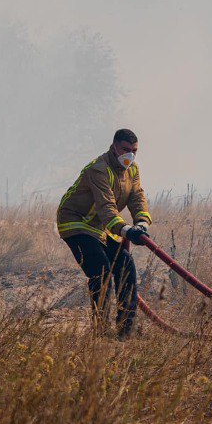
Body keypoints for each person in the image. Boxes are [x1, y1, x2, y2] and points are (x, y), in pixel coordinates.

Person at [56, 128, 153, 335]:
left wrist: (142, 222)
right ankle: (100, 331)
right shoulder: (98, 169)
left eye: (134, 150)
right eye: (126, 149)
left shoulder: (133, 170)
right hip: (76, 223)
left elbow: (137, 196)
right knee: (101, 271)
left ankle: (124, 331)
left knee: (125, 264)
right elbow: (106, 207)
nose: (130, 155)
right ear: (114, 147)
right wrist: (126, 230)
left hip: (99, 227)